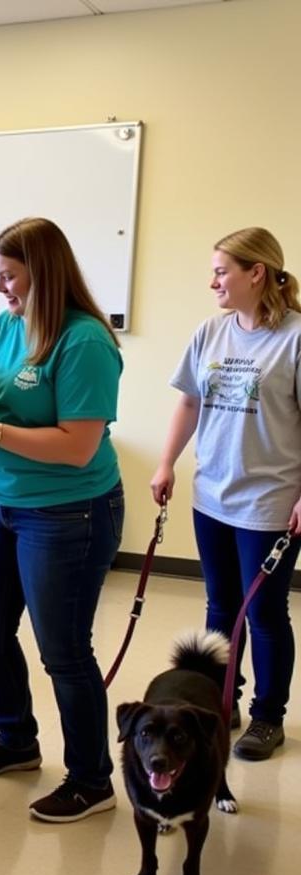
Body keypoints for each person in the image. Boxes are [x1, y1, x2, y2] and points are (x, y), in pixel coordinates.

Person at [0, 217, 125, 823]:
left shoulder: (85, 341)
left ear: (41, 273)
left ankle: (91, 779)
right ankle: (17, 740)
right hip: (0, 501)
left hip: (69, 511)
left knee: (64, 649)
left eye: (8, 275)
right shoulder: (4, 326)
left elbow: (77, 445)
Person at [151, 227, 301, 761]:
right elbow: (189, 404)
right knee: (219, 604)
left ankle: (267, 718)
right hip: (211, 493)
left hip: (269, 500)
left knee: (262, 614)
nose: (212, 280)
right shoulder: (210, 332)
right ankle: (221, 701)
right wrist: (167, 462)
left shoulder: (294, 337)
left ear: (255, 273)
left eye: (221, 270)